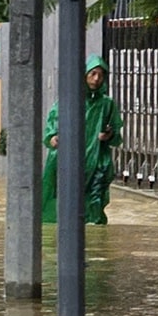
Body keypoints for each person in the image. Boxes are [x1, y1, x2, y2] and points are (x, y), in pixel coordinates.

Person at [43, 54, 125, 225]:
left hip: (96, 162)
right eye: (93, 74)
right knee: (60, 201)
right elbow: (52, 125)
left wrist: (108, 136)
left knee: (94, 204)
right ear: (85, 74)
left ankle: (95, 246)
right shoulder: (69, 101)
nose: (96, 79)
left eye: (101, 75)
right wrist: (52, 138)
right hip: (67, 160)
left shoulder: (107, 104)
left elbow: (116, 134)